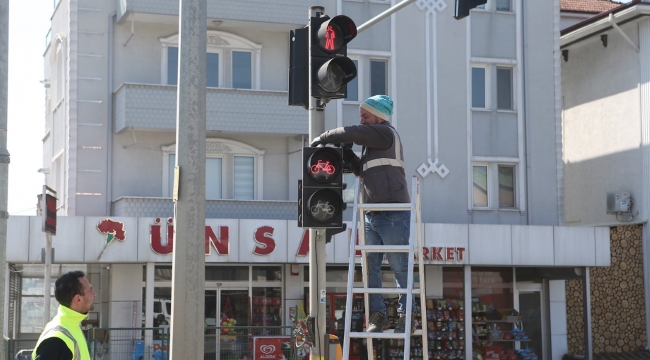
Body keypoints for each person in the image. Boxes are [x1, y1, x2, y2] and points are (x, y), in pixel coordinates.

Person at [310, 95, 411, 333]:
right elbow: (362, 171)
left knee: (399, 266)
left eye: (366, 115)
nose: (362, 120)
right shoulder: (373, 144)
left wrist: (325, 137)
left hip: (392, 210)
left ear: (379, 116)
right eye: (361, 116)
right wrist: (349, 156)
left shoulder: (386, 133)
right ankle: (378, 317)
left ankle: (406, 316)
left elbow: (353, 131)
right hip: (372, 212)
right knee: (370, 267)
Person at [32, 270, 96, 360]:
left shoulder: (71, 326)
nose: (94, 294)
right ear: (78, 299)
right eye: (90, 290)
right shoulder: (57, 340)